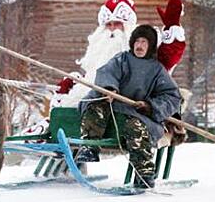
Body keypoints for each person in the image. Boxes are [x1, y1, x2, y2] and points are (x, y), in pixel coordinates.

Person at [76, 25, 182, 188]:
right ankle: (90, 147)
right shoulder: (121, 60)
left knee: (137, 128)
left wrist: (150, 106)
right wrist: (109, 89)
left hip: (137, 113)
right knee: (94, 106)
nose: (139, 46)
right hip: (112, 104)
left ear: (151, 46)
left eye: (144, 42)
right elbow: (106, 73)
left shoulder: (157, 70)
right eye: (137, 41)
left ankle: (144, 173)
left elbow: (172, 96)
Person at [53, 0, 186, 108]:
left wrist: (172, 26)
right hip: (93, 105)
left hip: (130, 107)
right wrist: (72, 88)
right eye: (108, 25)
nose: (112, 30)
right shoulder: (99, 52)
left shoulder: (143, 47)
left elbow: (168, 57)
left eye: (117, 23)